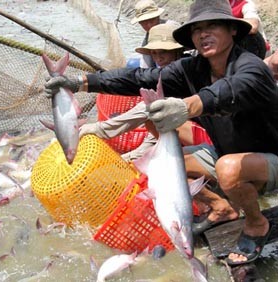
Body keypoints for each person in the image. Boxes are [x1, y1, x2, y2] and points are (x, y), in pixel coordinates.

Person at [44, 0, 278, 266]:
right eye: (197, 29)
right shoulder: (193, 69)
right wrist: (81, 82)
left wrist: (184, 106)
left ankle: (256, 224)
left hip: (269, 158)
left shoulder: (252, 68)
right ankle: (221, 207)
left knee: (227, 169)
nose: (203, 34)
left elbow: (226, 93)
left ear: (232, 30)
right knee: (153, 168)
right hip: (225, 152)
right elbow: (140, 77)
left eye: (212, 26)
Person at [79, 22, 212, 161]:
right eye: (154, 53)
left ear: (177, 51)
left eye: (163, 52)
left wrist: (102, 128)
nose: (158, 58)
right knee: (151, 121)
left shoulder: (188, 68)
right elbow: (133, 78)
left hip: (205, 134)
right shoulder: (165, 72)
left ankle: (102, 131)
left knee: (153, 107)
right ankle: (133, 156)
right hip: (179, 126)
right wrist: (84, 82)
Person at [130, 0, 166, 68]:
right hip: (157, 68)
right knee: (131, 64)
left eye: (152, 20)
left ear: (158, 17)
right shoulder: (148, 38)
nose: (149, 25)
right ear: (140, 23)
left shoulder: (170, 28)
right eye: (144, 22)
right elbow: (146, 64)